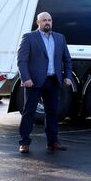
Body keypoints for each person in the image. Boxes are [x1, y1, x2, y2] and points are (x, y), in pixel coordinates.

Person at [17, 12, 73, 154]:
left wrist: (67, 76)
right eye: (44, 20)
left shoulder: (60, 38)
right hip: (34, 82)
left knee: (52, 113)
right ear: (38, 22)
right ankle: (24, 143)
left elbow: (67, 59)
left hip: (53, 81)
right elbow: (22, 60)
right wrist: (26, 78)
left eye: (49, 20)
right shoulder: (29, 37)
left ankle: (53, 142)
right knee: (28, 112)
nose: (47, 22)